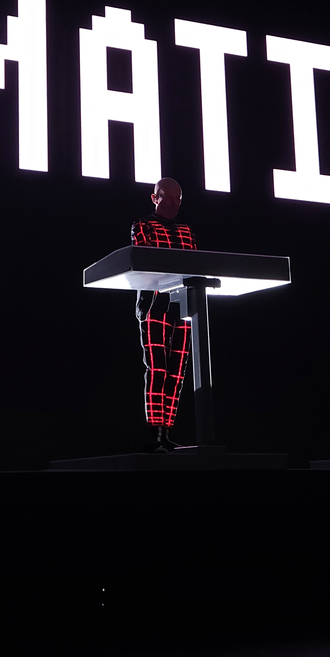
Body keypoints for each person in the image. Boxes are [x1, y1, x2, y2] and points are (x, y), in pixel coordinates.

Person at [131, 178, 194, 453]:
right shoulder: (142, 226)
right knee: (157, 369)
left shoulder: (186, 230)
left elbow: (195, 265)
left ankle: (165, 433)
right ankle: (155, 433)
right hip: (155, 304)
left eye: (177, 199)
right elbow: (146, 260)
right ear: (154, 198)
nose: (173, 203)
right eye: (167, 197)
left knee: (177, 373)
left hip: (184, 306)